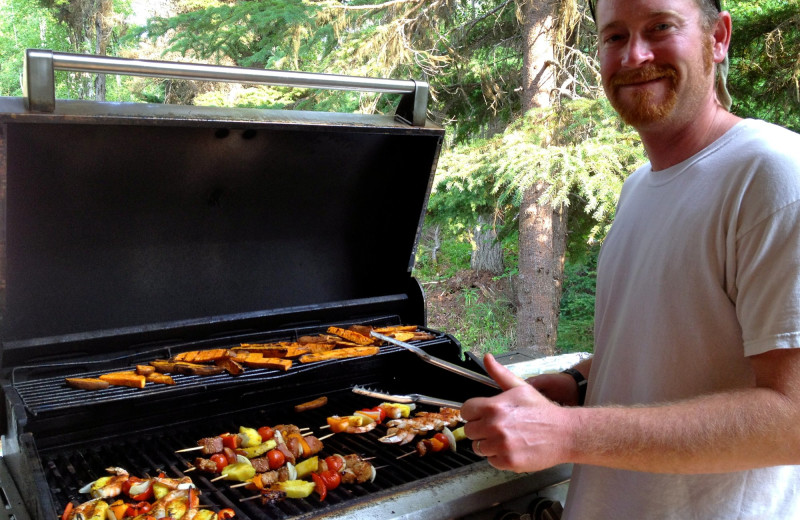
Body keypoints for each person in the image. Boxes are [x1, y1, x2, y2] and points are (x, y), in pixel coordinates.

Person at [460, 0, 800, 518]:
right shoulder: (640, 187)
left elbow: (792, 420)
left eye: (660, 27)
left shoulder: (775, 175)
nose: (635, 55)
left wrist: (570, 434)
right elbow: (673, 347)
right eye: (614, 37)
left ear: (718, 37)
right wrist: (578, 384)